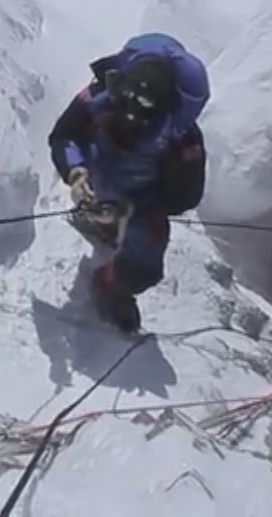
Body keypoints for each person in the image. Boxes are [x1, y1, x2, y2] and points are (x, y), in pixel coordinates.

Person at [48, 33, 210, 334]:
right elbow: (66, 135)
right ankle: (101, 224)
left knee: (143, 271)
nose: (130, 111)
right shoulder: (96, 98)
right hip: (98, 179)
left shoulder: (182, 138)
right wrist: (76, 173)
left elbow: (186, 195)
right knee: (110, 220)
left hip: (141, 200)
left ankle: (111, 283)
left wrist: (131, 208)